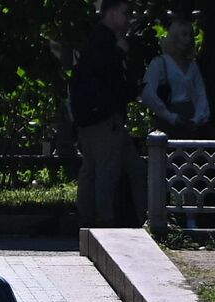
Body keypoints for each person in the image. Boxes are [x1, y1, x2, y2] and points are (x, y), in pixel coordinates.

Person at [71, 0, 146, 228]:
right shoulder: (104, 43)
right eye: (125, 13)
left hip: (95, 117)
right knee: (105, 170)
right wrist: (119, 54)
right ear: (110, 13)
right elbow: (104, 77)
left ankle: (145, 215)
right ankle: (102, 221)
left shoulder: (97, 41)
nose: (128, 19)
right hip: (103, 117)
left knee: (129, 167)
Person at [142, 15, 211, 133]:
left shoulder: (192, 66)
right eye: (184, 35)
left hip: (190, 119)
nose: (188, 39)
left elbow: (201, 95)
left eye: (190, 35)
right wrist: (170, 116)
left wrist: (196, 119)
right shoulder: (159, 63)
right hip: (167, 119)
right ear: (174, 37)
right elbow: (147, 93)